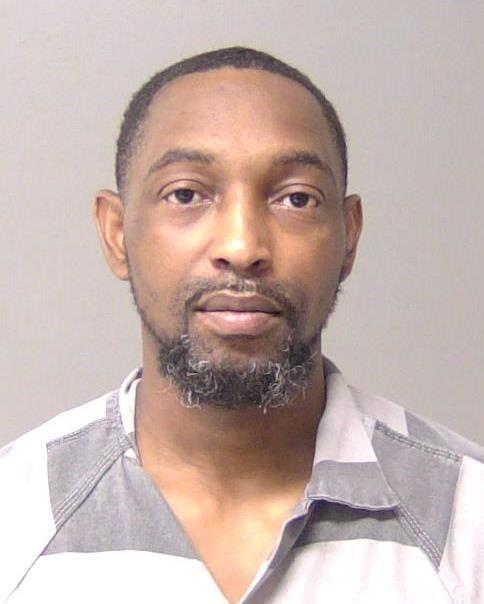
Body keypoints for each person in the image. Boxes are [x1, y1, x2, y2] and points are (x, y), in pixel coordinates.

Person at [1, 46, 483, 604]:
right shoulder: (15, 516)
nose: (241, 245)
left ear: (349, 236)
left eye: (296, 198)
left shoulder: (468, 519)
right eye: (186, 194)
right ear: (116, 234)